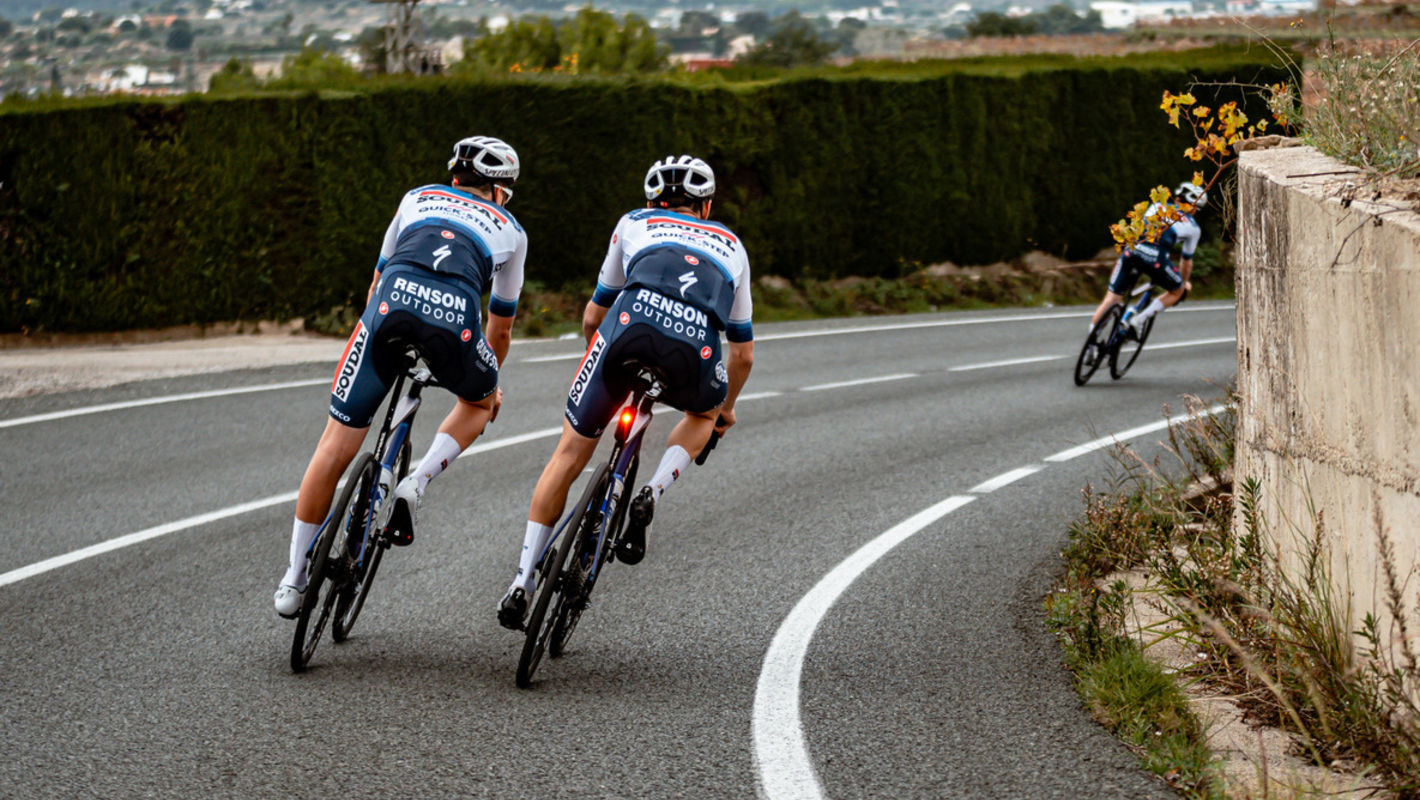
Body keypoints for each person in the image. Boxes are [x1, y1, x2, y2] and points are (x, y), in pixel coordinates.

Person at [274, 136, 528, 618]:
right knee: (479, 403)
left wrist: (373, 336)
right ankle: (417, 481)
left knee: (333, 445)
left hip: (389, 308)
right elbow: (501, 325)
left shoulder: (415, 198)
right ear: (498, 191)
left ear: (454, 178)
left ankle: (293, 579)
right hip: (455, 323)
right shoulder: (512, 230)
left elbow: (376, 280)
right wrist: (489, 383)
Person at [497, 155, 754, 629]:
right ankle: (653, 489)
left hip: (627, 332)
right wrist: (725, 411)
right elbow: (742, 355)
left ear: (653, 199)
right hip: (692, 351)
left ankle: (521, 583)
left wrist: (596, 354)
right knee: (702, 415)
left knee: (570, 453)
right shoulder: (732, 245)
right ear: (707, 205)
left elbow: (595, 315)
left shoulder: (634, 222)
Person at [1087, 181, 1205, 351]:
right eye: (1196, 208)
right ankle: (1138, 320)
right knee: (1178, 289)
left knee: (1111, 299)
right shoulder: (1193, 227)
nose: (1195, 212)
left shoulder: (1156, 205)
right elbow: (1186, 261)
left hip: (1131, 252)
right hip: (1155, 260)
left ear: (1177, 197)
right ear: (1192, 207)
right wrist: (1182, 283)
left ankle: (1090, 346)